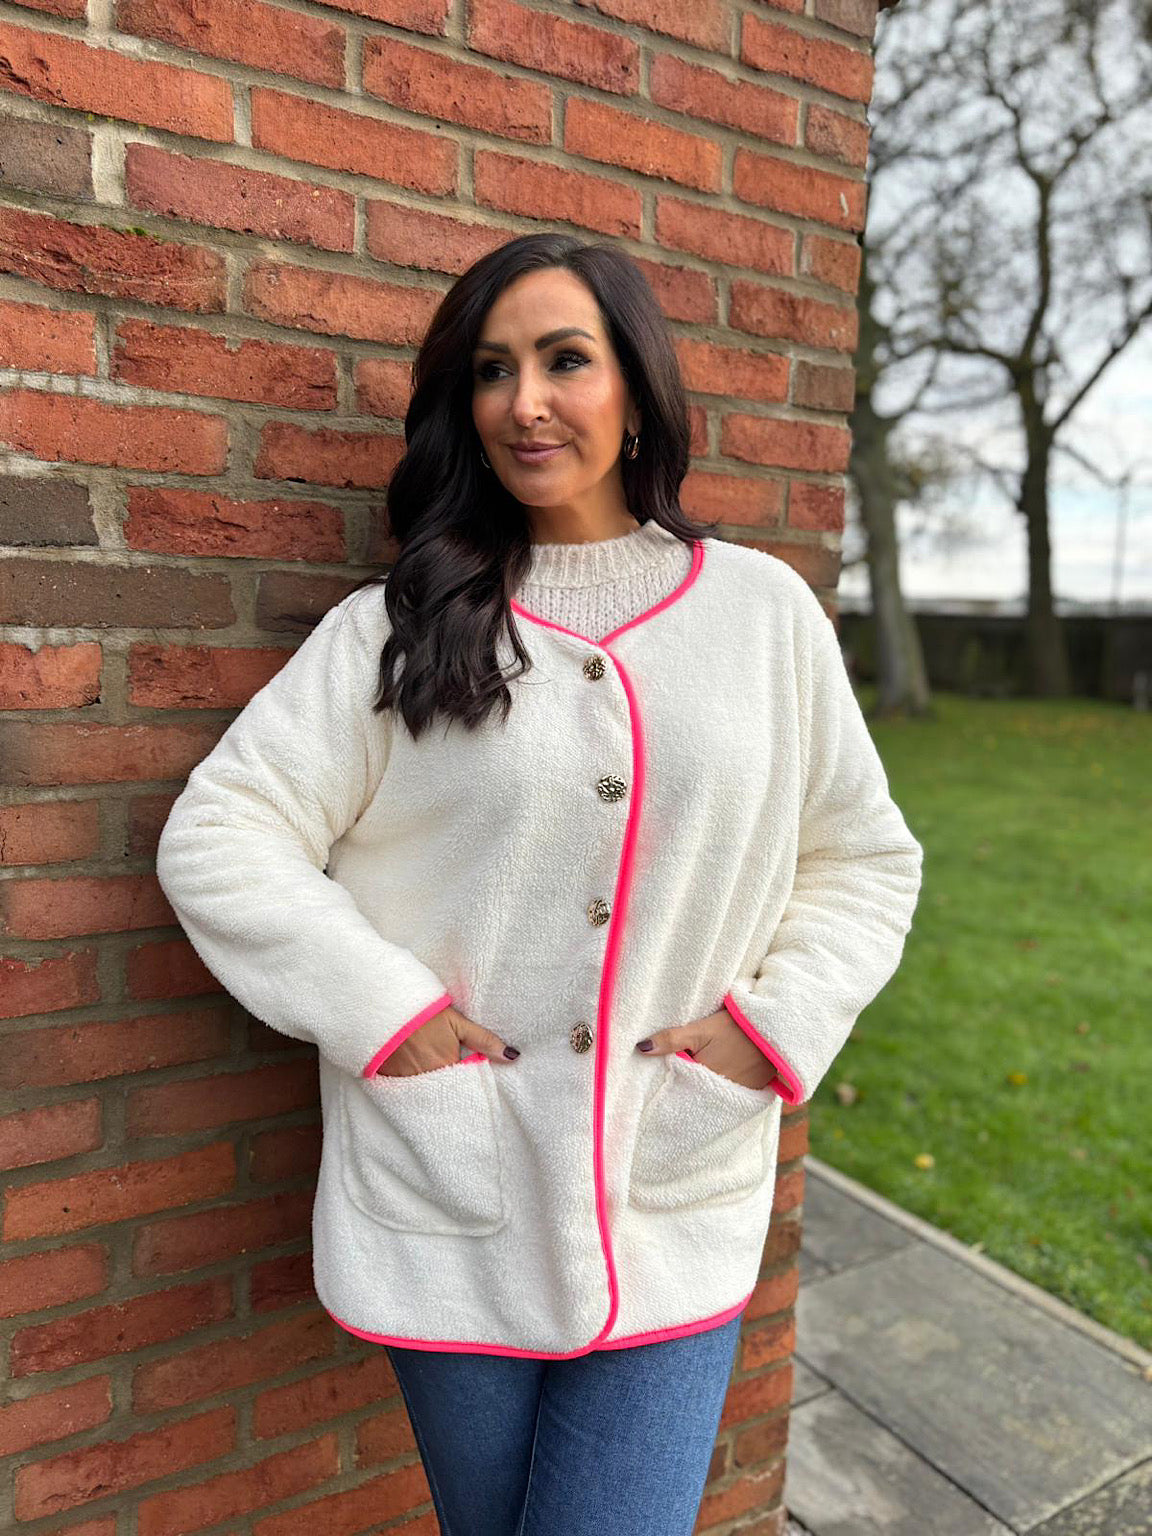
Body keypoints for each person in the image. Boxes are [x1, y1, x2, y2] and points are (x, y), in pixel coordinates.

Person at [155, 231, 924, 1534]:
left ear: (637, 390)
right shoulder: (396, 629)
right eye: (493, 370)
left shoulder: (762, 617)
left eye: (567, 360)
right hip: (453, 1193)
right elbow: (220, 835)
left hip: (671, 1187)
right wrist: (386, 1016)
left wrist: (774, 1029)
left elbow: (863, 858)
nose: (526, 402)